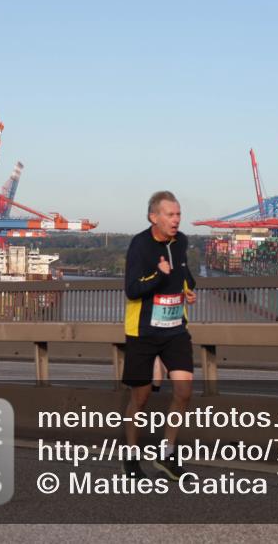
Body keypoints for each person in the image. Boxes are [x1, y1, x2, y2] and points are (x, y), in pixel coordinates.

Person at [121, 191, 197, 479]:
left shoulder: (182, 242)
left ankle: (167, 454)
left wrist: (189, 290)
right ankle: (130, 455)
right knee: (139, 399)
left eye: (178, 214)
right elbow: (132, 289)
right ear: (154, 217)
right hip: (143, 331)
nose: (176, 219)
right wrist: (159, 276)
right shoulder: (140, 245)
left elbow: (184, 272)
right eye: (170, 214)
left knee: (184, 391)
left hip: (175, 329)